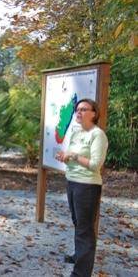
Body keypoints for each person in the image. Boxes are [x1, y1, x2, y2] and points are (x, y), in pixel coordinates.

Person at [56, 99, 108, 277]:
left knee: (85, 229)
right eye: (77, 109)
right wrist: (65, 156)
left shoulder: (97, 135)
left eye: (84, 109)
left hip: (87, 186)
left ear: (94, 114)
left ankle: (81, 273)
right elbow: (73, 156)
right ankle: (79, 256)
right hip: (72, 181)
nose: (79, 112)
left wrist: (74, 155)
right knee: (78, 224)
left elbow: (95, 165)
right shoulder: (76, 132)